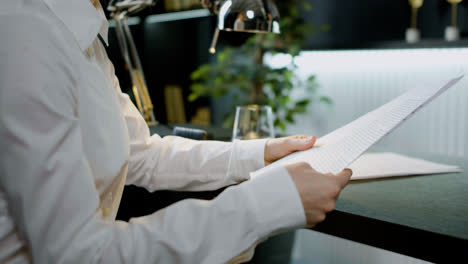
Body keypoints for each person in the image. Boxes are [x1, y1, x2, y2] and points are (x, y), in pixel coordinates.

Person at [0, 0, 352, 263]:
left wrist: (260, 153)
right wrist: (268, 203)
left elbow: (142, 153)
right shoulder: (23, 32)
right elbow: (79, 254)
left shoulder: (82, 35)